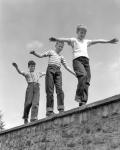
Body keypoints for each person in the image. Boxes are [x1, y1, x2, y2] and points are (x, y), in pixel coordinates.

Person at [49, 25, 119, 106]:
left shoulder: (86, 41)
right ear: (77, 32)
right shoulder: (73, 40)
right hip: (77, 61)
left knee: (87, 81)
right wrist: (56, 39)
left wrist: (108, 41)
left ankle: (83, 101)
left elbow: (97, 41)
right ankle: (78, 96)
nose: (82, 34)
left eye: (84, 33)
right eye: (81, 32)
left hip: (86, 61)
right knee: (83, 75)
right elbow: (65, 39)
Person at [30, 41, 76, 116]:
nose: (60, 48)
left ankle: (61, 108)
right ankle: (49, 111)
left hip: (58, 72)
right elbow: (41, 55)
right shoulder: (51, 52)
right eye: (59, 46)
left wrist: (74, 73)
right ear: (56, 45)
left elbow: (67, 67)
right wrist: (34, 53)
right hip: (50, 71)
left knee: (60, 90)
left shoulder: (61, 57)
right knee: (50, 90)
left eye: (62, 47)